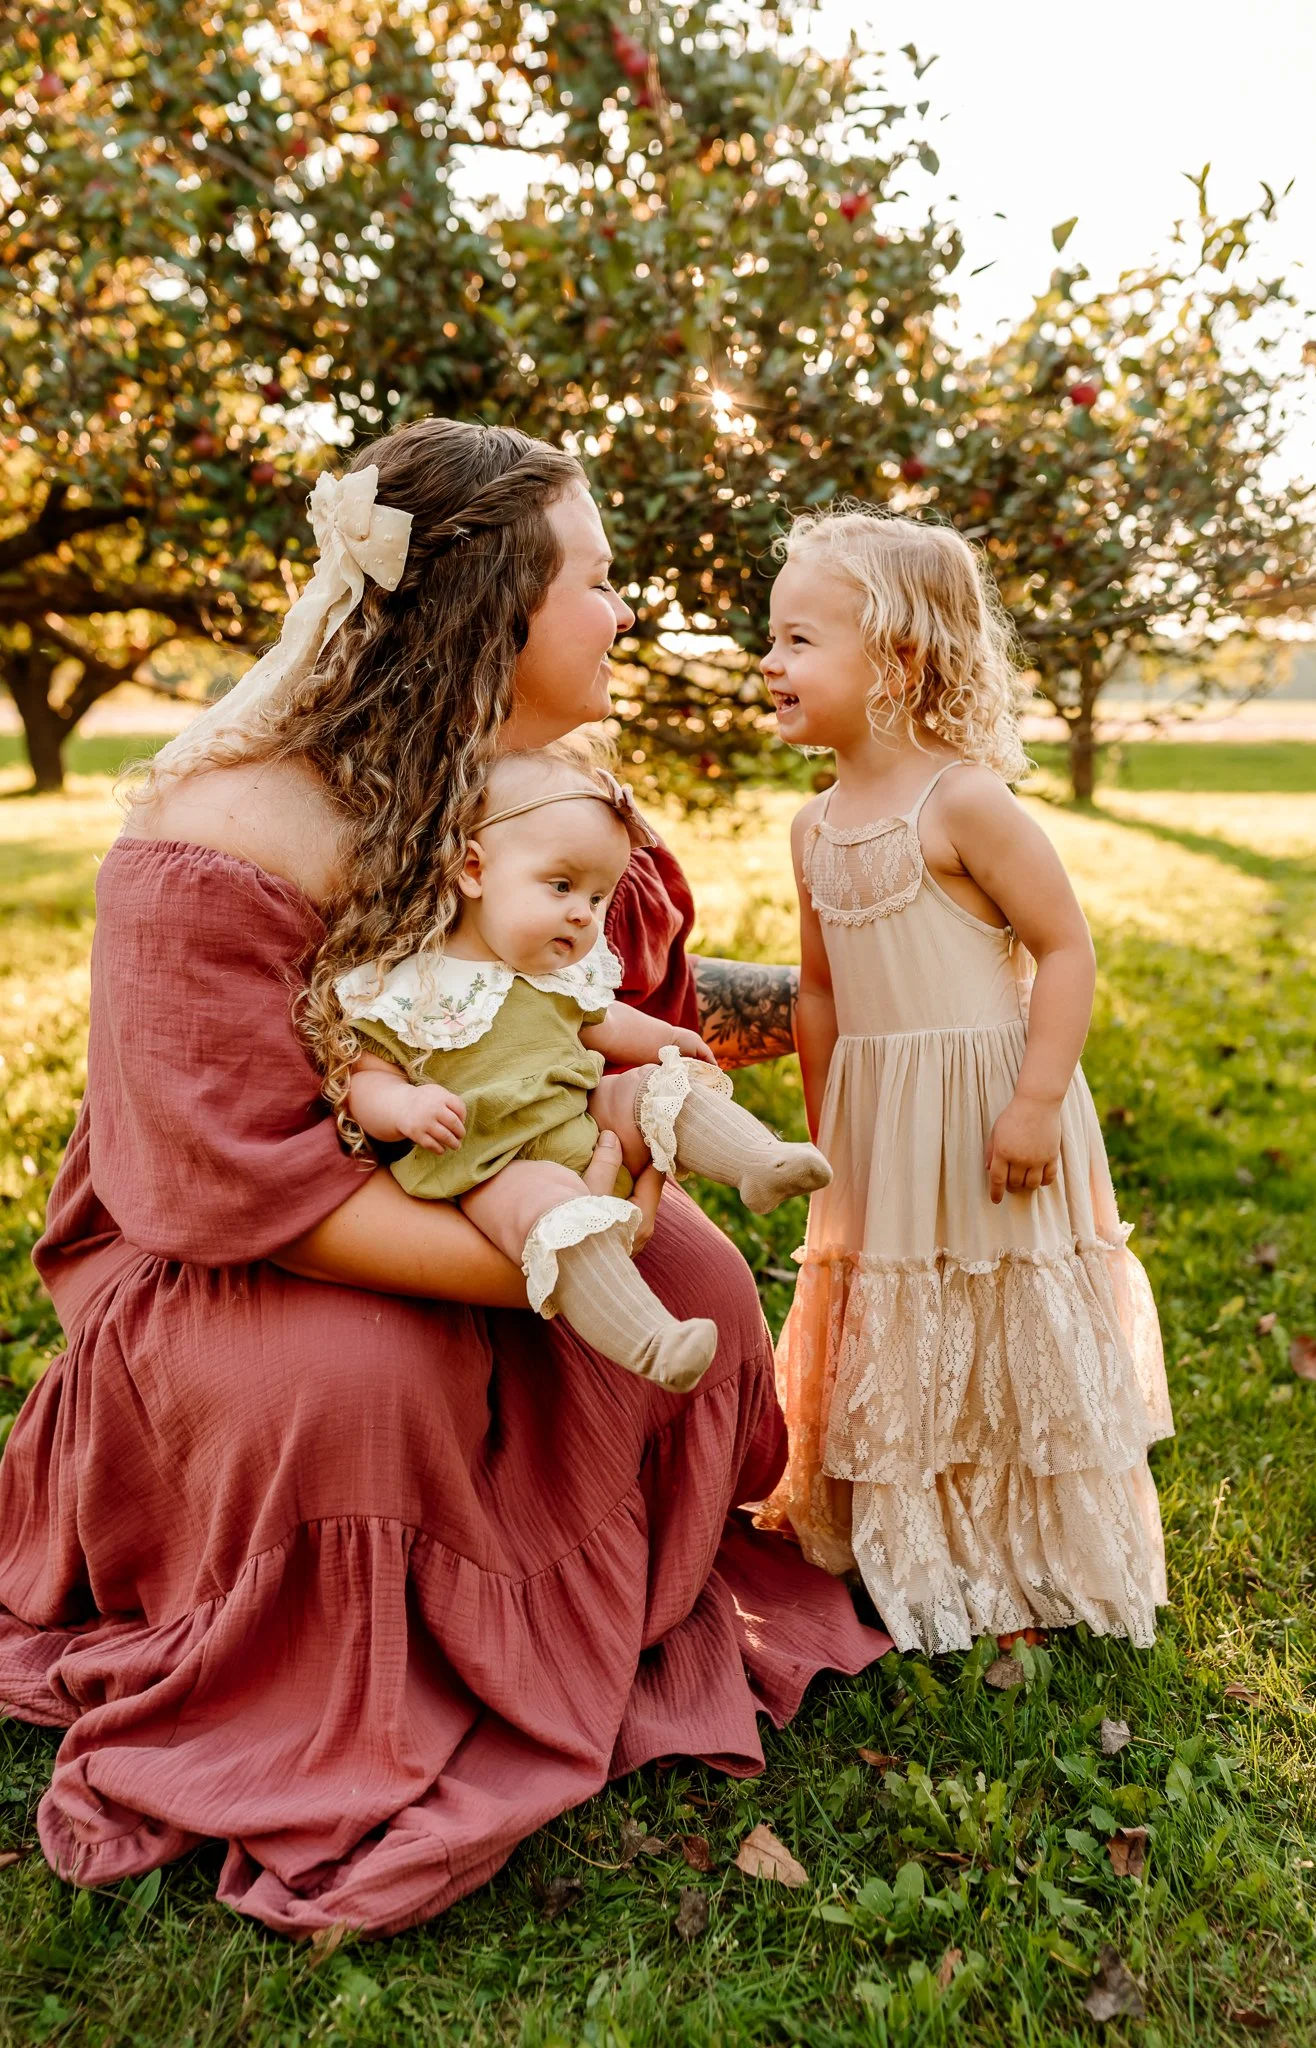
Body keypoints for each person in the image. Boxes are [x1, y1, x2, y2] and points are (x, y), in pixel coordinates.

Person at [0, 421, 886, 1939]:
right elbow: (215, 1181)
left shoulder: (528, 792)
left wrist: (862, 991)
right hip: (248, 1244)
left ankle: (580, 1604)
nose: (626, 613)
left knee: (700, 1283)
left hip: (509, 1164)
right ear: (492, 608)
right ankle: (345, 1674)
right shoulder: (212, 836)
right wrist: (530, 1248)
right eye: (600, 582)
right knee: (359, 1391)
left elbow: (609, 999)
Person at [753, 508, 1172, 1654]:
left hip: (990, 1107)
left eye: (797, 641)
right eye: (771, 639)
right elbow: (822, 989)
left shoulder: (965, 802)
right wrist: (827, 1110)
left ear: (892, 660)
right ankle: (914, 1535)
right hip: (886, 1122)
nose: (768, 663)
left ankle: (1026, 1546)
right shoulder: (814, 826)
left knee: (1002, 1308)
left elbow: (1067, 947)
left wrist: (1037, 1098)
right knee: (897, 1309)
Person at [338, 746, 831, 1392]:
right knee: (551, 1214)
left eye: (599, 898)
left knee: (648, 1088)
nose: (583, 914)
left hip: (582, 1115)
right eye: (562, 886)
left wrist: (670, 1039)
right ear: (473, 870)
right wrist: (404, 1108)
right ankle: (653, 1341)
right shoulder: (412, 982)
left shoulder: (559, 973)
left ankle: (757, 1163)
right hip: (493, 1164)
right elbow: (366, 1076)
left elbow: (608, 1024)